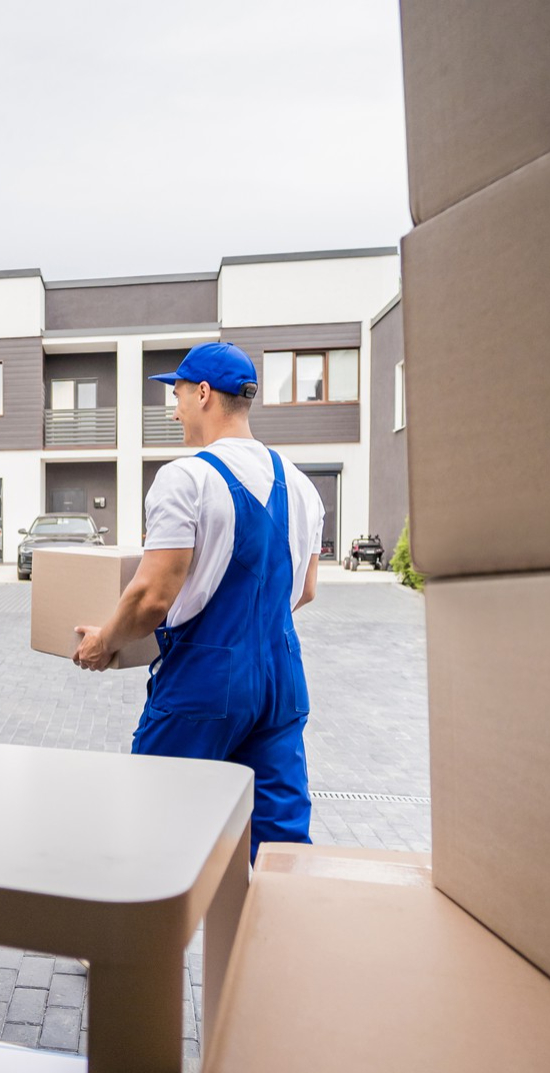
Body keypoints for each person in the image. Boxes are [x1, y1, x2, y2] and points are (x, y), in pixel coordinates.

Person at [71, 342, 321, 863]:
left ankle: (127, 942)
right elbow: (306, 589)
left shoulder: (186, 478)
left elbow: (151, 596)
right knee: (280, 846)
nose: (174, 406)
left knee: (151, 827)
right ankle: (281, 941)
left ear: (204, 394)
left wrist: (103, 642)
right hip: (281, 680)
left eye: (179, 392)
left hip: (204, 680)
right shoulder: (300, 484)